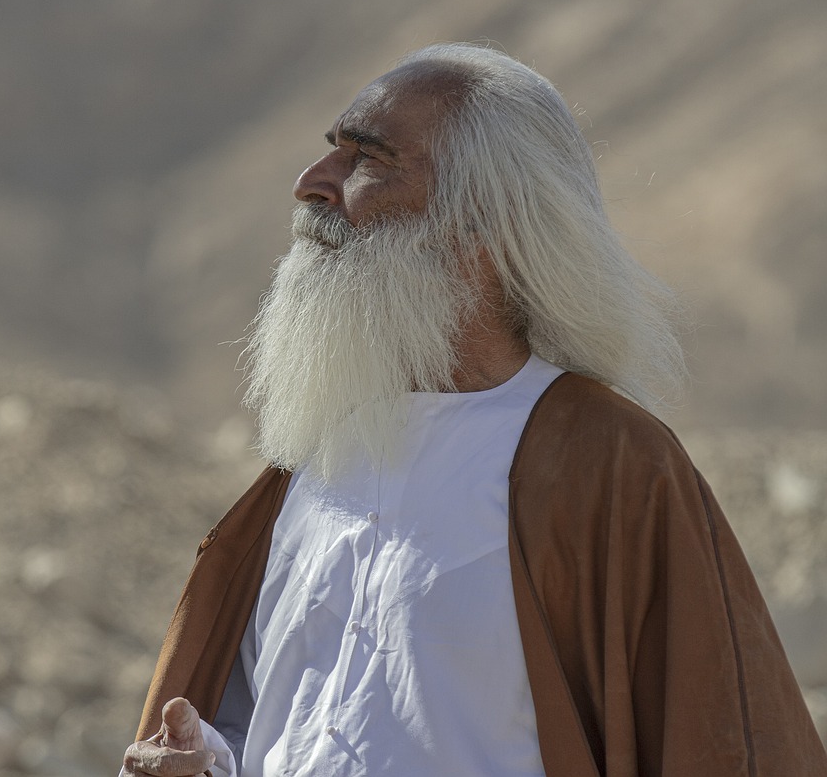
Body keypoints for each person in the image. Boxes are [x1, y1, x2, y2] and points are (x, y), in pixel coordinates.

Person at [121, 43, 827, 776]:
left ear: (483, 219)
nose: (311, 184)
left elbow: (725, 745)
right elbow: (273, 730)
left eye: (369, 158)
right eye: (331, 152)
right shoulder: (311, 462)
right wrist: (205, 764)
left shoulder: (609, 467)